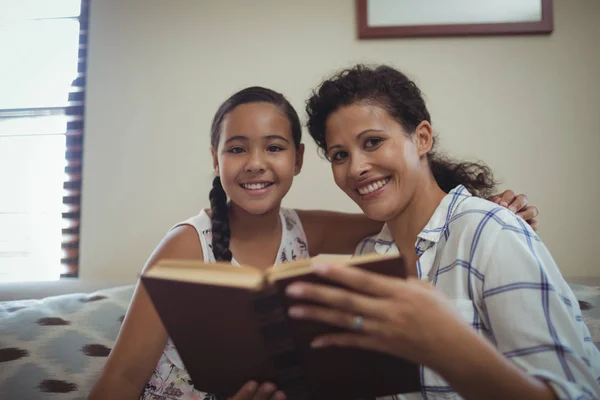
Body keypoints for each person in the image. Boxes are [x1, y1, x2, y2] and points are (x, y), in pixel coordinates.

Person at [90, 86, 538, 400]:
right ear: (216, 159)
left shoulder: (311, 232)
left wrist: (490, 209)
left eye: (275, 147)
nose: (255, 164)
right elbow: (119, 382)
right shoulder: (186, 245)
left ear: (299, 159)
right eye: (237, 149)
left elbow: (407, 220)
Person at [283, 64, 600, 399]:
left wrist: (451, 350)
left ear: (422, 138)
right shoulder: (366, 256)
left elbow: (579, 394)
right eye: (340, 155)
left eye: (373, 142)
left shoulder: (491, 233)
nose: (357, 167)